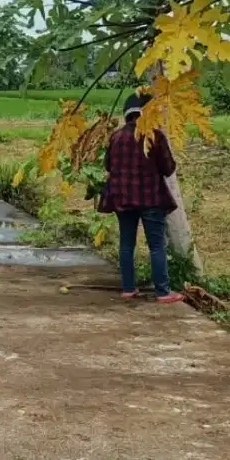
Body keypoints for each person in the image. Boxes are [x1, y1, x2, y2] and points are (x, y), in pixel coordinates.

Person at [98, 93, 184, 304]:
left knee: (126, 244)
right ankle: (163, 292)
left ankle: (128, 288)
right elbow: (168, 168)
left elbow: (108, 165)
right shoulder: (154, 135)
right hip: (151, 199)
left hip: (122, 199)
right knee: (156, 245)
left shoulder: (116, 137)